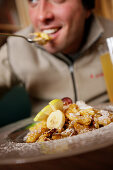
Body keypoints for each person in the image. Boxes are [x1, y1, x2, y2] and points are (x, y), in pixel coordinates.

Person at [0, 0, 113, 114]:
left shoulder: (111, 35)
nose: (42, 16)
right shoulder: (16, 46)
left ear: (87, 7)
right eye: (33, 0)